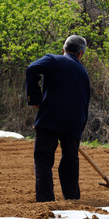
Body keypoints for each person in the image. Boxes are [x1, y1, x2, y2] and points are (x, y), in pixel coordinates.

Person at [25, 35, 90, 202]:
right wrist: (78, 130)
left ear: (63, 49)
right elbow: (85, 102)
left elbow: (32, 68)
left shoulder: (54, 60)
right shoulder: (83, 73)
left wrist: (35, 99)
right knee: (70, 159)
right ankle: (72, 198)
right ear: (80, 53)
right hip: (74, 122)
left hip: (50, 119)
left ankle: (46, 200)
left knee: (43, 159)